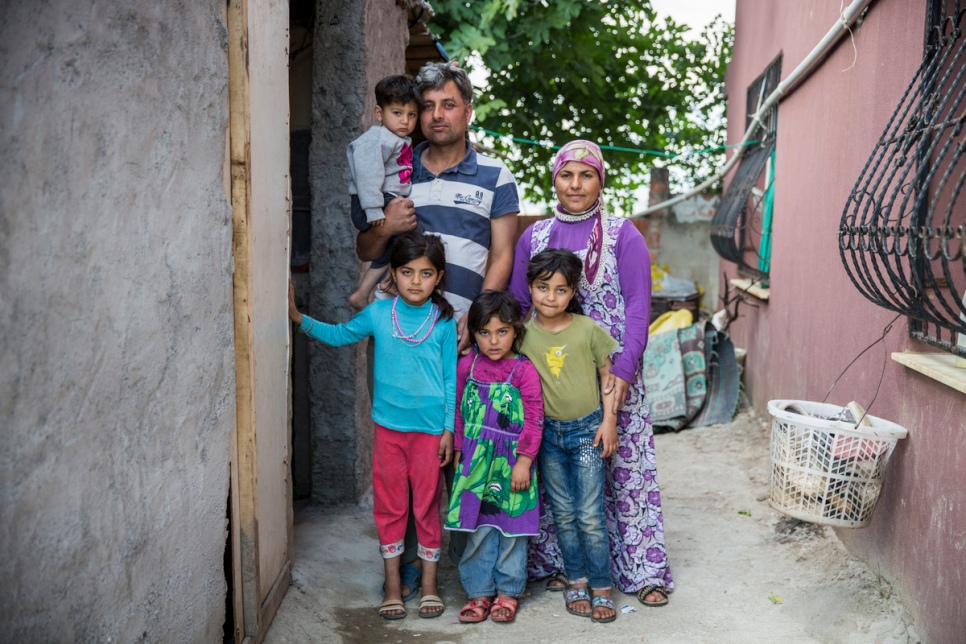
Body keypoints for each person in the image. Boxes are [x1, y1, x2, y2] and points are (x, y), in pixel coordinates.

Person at [353, 60, 521, 576]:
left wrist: (479, 320)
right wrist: (388, 227)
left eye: (448, 104)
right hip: (404, 344)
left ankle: (464, 571)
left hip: (470, 339)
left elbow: (502, 255)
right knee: (405, 457)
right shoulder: (392, 171)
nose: (436, 115)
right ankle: (403, 570)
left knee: (469, 451)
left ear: (468, 110)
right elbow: (366, 245)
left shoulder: (495, 176)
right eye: (427, 106)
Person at [509, 140, 674, 608]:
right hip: (551, 377)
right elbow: (521, 307)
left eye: (586, 175)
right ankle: (565, 566)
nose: (575, 184)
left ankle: (643, 570)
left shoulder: (625, 235)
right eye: (567, 175)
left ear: (601, 180)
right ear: (554, 179)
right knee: (557, 475)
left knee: (623, 472)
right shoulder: (534, 237)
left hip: (612, 374)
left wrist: (624, 370)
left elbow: (640, 308)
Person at [288, 231, 456, 620]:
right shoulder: (379, 315)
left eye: (426, 273)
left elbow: (450, 379)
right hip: (389, 432)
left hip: (430, 433)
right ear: (392, 275)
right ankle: (393, 588)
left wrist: (448, 429)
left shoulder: (445, 321)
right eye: (408, 272)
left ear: (439, 277)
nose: (416, 281)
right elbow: (339, 334)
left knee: (428, 508)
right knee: (391, 507)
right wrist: (299, 320)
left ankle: (430, 586)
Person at [518, 248, 620, 624]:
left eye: (561, 290)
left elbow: (608, 377)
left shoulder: (587, 330)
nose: (550, 296)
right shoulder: (522, 336)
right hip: (546, 436)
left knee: (590, 514)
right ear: (530, 287)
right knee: (563, 512)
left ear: (573, 291)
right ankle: (576, 579)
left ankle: (601, 586)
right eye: (543, 287)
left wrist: (608, 422)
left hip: (586, 433)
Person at [445, 290, 544, 624]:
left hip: (511, 463)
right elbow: (459, 413)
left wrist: (525, 461)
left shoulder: (523, 371)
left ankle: (507, 591)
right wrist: (460, 452)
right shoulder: (466, 367)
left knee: (512, 530)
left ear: (516, 331)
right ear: (473, 333)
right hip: (474, 462)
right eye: (484, 332)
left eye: (502, 331)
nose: (493, 340)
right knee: (477, 527)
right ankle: (478, 592)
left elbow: (534, 417)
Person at [346, 75, 419, 309]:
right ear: (379, 113)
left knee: (393, 246)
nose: (405, 121)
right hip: (373, 203)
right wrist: (374, 208)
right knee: (407, 239)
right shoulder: (377, 139)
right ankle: (388, 282)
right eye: (397, 113)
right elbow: (368, 174)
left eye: (411, 114)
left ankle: (363, 292)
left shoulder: (397, 138)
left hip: (384, 201)